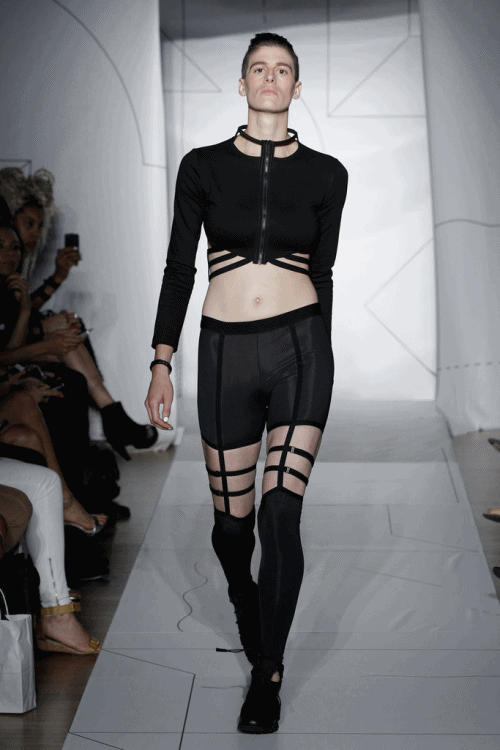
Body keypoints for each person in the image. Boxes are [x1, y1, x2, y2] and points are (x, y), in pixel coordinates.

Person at [145, 32, 348, 734]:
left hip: (300, 350)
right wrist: (162, 360)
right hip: (224, 353)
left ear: (297, 87)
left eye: (282, 69)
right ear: (242, 84)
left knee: (279, 514)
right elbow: (180, 267)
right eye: (259, 68)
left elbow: (323, 273)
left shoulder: (327, 174)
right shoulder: (202, 167)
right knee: (232, 528)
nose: (270, 78)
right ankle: (242, 593)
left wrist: (322, 353)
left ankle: (269, 673)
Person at [0, 169, 158, 460]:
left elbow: (21, 309)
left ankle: (110, 416)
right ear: (10, 219)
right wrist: (45, 329)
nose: (35, 233)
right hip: (10, 353)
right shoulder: (7, 259)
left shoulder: (14, 263)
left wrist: (58, 278)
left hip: (15, 345)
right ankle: (112, 415)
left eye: (39, 226)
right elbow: (12, 324)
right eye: (28, 224)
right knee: (68, 333)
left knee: (71, 330)